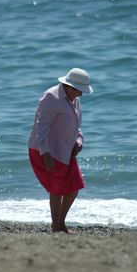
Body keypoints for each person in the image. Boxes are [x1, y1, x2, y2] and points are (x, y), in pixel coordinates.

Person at [28, 68, 93, 233]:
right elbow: (40, 127)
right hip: (47, 150)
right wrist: (46, 153)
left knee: (74, 188)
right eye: (80, 90)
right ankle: (57, 226)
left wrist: (79, 141)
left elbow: (76, 127)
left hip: (66, 150)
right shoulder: (51, 97)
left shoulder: (74, 100)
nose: (82, 94)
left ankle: (60, 223)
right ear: (69, 86)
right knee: (57, 189)